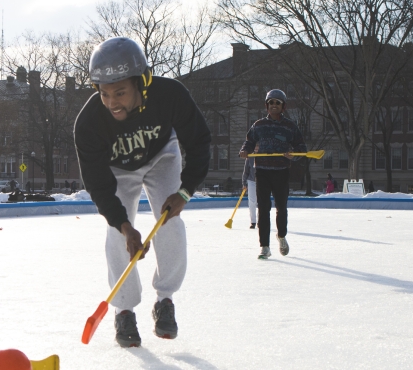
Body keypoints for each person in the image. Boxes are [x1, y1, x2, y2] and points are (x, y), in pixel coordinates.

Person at [74, 36, 211, 347]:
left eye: (120, 92)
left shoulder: (170, 95)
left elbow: (199, 141)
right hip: (118, 170)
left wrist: (185, 191)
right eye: (105, 93)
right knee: (115, 235)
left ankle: (165, 299)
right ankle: (124, 310)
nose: (112, 103)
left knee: (170, 221)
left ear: (142, 82)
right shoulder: (89, 123)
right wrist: (124, 225)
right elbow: (97, 184)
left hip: (163, 155)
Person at [239, 90, 306, 259]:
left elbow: (301, 147)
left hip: (281, 172)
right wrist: (245, 150)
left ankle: (281, 236)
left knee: (281, 208)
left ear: (283, 106)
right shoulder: (259, 125)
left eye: (277, 103)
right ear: (267, 106)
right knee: (263, 209)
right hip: (261, 171)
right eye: (271, 103)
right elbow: (249, 141)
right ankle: (265, 246)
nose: (274, 105)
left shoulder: (290, 127)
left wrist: (294, 154)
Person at [243, 156, 258, 229]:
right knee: (252, 201)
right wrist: (244, 183)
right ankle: (253, 222)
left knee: (262, 202)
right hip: (251, 181)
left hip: (263, 181)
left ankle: (261, 220)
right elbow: (246, 171)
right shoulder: (250, 157)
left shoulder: (264, 154)